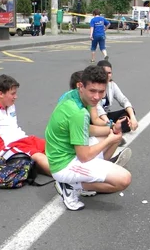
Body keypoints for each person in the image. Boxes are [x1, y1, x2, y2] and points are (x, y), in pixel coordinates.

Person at [45, 65, 132, 211]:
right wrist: (109, 139)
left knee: (114, 136)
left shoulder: (72, 96)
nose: (97, 97)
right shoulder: (78, 113)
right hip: (64, 164)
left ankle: (90, 174)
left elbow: (87, 128)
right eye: (92, 91)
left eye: (101, 92)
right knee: (124, 179)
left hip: (61, 153)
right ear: (81, 86)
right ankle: (71, 186)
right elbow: (84, 156)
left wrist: (112, 129)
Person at [89, 60, 138, 134]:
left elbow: (124, 100)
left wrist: (132, 117)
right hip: (95, 118)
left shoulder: (112, 85)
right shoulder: (94, 86)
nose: (107, 75)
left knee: (129, 112)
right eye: (104, 72)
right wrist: (110, 123)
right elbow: (98, 109)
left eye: (109, 73)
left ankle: (114, 128)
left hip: (107, 116)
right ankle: (113, 129)